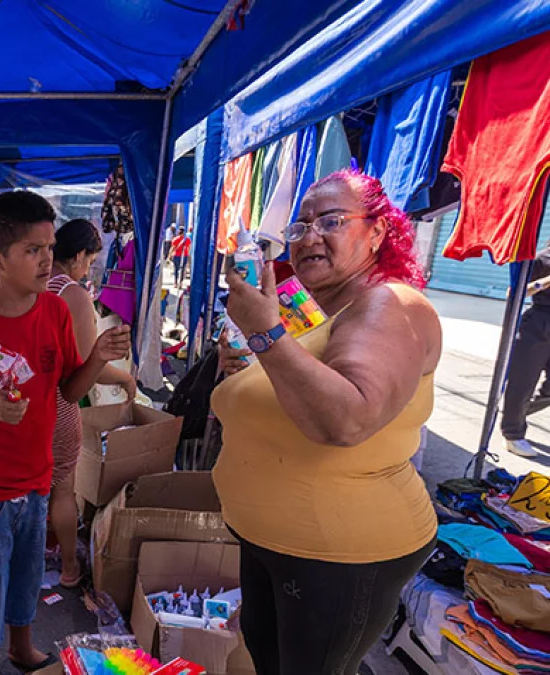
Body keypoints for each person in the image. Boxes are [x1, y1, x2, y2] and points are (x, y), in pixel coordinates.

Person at [213, 169, 440, 675]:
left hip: (339, 553)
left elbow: (346, 419)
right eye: (301, 227)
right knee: (269, 659)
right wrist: (252, 362)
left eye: (331, 221)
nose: (310, 235)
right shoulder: (315, 310)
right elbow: (298, 385)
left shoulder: (392, 304)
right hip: (275, 541)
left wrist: (266, 334)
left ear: (378, 231)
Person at [0, 191, 131, 675]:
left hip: (36, 477)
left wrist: (98, 356)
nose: (46, 261)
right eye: (32, 251)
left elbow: (68, 389)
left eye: (48, 247)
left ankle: (21, 647)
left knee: (25, 573)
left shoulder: (56, 312)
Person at [48, 218, 138, 587]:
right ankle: (69, 568)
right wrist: (125, 378)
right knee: (62, 490)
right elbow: (90, 368)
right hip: (56, 405)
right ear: (80, 254)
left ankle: (25, 563)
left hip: (18, 406)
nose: (89, 268)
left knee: (24, 492)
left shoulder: (26, 285)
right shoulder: (72, 295)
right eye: (90, 260)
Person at [499, 245, 550, 458]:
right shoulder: (542, 260)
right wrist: (545, 282)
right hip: (539, 323)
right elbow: (514, 291)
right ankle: (513, 434)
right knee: (522, 382)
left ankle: (516, 412)